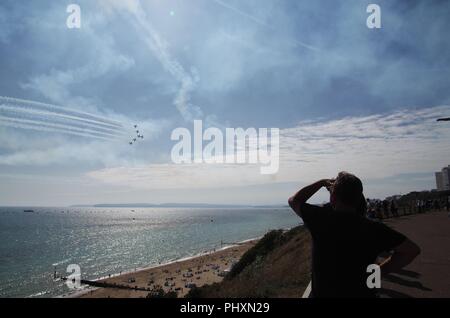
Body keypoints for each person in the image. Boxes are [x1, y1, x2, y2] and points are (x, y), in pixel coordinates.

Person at [288, 172, 420, 298]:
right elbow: (411, 250)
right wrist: (379, 271)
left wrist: (321, 182)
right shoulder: (374, 228)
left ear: (333, 198)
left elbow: (294, 200)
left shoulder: (321, 219)